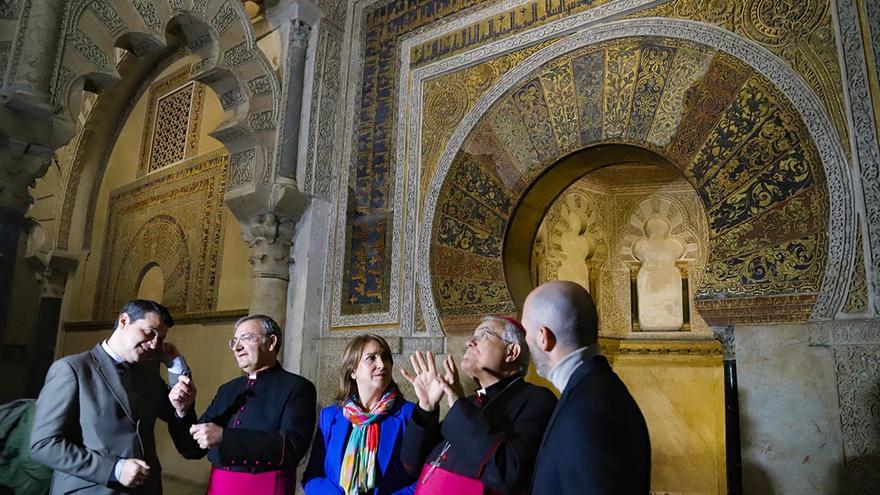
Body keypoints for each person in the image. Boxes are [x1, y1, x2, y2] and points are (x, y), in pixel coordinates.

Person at [29, 299, 198, 495]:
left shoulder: (149, 376)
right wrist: (113, 469)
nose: (154, 345)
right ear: (124, 321)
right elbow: (43, 445)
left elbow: (184, 433)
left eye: (160, 338)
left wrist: (176, 366)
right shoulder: (72, 370)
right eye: (150, 332)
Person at [399, 316, 557, 494]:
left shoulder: (537, 400)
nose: (469, 342)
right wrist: (426, 409)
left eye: (484, 335)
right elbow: (410, 465)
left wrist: (459, 408)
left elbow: (509, 474)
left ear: (512, 352)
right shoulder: (469, 402)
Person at [521, 281, 651, 494]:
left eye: (526, 332)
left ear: (543, 337)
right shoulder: (596, 390)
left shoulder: (588, 412)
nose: (526, 341)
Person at [181, 315, 317, 495]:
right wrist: (183, 410)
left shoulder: (298, 388)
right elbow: (192, 449)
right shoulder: (227, 389)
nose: (237, 347)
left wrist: (225, 438)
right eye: (234, 341)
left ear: (271, 342)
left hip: (266, 488)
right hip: (219, 488)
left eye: (245, 338)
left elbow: (292, 447)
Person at [303, 334, 417, 495]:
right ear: (353, 371)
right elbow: (312, 477)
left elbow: (423, 479)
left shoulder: (408, 414)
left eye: (385, 357)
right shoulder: (330, 416)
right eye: (371, 358)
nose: (381, 364)